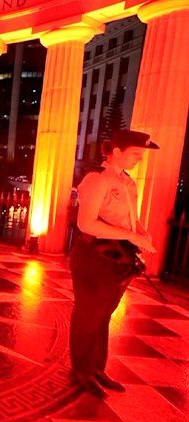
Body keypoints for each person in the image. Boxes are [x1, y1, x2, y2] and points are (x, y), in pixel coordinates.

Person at [69, 129, 158, 398]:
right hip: (94, 257)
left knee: (105, 314)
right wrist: (131, 235)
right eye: (135, 154)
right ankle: (81, 370)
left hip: (118, 256)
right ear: (116, 152)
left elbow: (130, 217)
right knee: (88, 314)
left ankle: (97, 368)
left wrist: (141, 232)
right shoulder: (96, 180)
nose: (139, 159)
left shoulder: (127, 182)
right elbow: (86, 223)